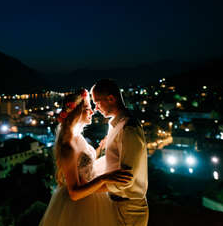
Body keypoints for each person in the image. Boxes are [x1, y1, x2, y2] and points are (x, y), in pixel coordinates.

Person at [39, 88, 132, 226]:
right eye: (88, 108)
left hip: (92, 196)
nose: (92, 111)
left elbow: (83, 165)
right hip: (79, 206)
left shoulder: (77, 137)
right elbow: (74, 193)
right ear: (77, 112)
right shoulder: (68, 145)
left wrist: (101, 147)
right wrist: (105, 178)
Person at [91, 79, 149, 226]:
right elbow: (112, 163)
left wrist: (89, 189)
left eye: (97, 102)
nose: (96, 108)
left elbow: (126, 179)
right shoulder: (115, 125)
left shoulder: (128, 128)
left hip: (129, 208)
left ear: (111, 98)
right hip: (119, 205)